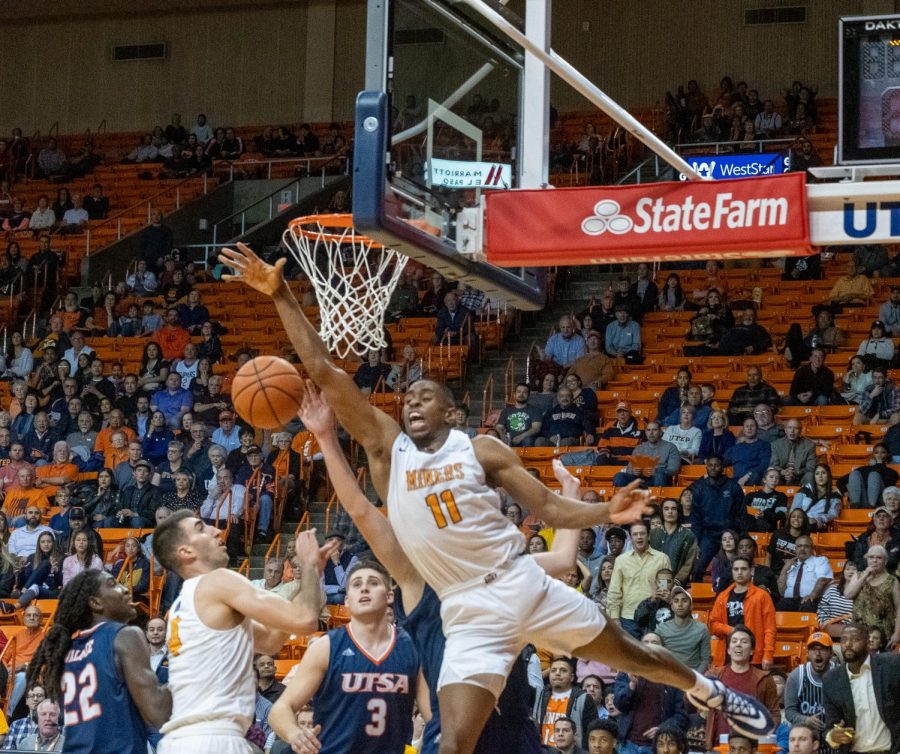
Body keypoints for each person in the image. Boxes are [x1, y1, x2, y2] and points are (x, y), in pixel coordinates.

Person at [220, 242, 776, 754]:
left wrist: (606, 511)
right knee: (453, 743)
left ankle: (711, 691)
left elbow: (552, 511)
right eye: (408, 394)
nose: (413, 399)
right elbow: (320, 369)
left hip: (521, 583)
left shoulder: (480, 449)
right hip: (467, 611)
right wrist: (281, 293)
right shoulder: (388, 448)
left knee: (634, 656)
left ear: (449, 412)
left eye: (426, 395)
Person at [150, 514, 332, 754]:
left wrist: (307, 577)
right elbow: (306, 620)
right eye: (201, 528)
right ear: (186, 551)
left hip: (181, 741)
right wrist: (308, 565)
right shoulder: (217, 581)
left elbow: (270, 640)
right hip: (214, 739)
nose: (216, 530)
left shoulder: (179, 607)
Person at [268, 560, 422, 754]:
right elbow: (280, 709)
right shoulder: (326, 647)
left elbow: (434, 715)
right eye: (357, 585)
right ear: (347, 599)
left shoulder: (412, 648)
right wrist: (295, 734)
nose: (364, 588)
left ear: (389, 596)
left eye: (373, 583)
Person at [25, 570, 171, 753]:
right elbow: (158, 713)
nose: (125, 589)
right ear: (95, 603)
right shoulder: (125, 635)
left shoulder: (65, 652)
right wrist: (189, 658)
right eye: (113, 584)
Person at [822, 622, 900, 754]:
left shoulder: (891, 666)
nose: (848, 644)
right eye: (844, 639)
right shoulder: (831, 680)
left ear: (868, 643)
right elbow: (831, 725)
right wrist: (833, 736)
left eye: (855, 639)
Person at [704, 626, 780, 750]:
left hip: (751, 748)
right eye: (734, 641)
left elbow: (775, 714)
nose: (738, 645)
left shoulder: (764, 679)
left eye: (744, 642)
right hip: (719, 746)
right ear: (728, 650)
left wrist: (763, 734)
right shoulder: (714, 675)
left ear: (751, 651)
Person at [613, 633, 688, 754]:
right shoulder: (627, 671)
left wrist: (662, 729)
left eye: (654, 643)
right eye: (646, 642)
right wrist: (631, 685)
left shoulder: (674, 677)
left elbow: (682, 716)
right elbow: (619, 704)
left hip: (659, 747)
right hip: (629, 745)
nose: (650, 645)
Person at [607, 522, 671, 639]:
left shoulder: (662, 559)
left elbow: (664, 590)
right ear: (631, 538)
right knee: (631, 656)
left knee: (652, 655)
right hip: (628, 618)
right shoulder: (621, 560)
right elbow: (614, 591)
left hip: (653, 616)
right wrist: (615, 618)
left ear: (649, 536)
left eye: (642, 533)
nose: (639, 537)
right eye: (635, 534)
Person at [709, 558, 777, 669]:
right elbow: (713, 625)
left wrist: (768, 654)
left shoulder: (762, 596)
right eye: (736, 569)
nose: (739, 572)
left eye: (743, 569)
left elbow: (770, 628)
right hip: (728, 655)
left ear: (751, 571)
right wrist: (730, 630)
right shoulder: (722, 596)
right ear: (732, 571)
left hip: (754, 656)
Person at [689, 455, 745, 582]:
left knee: (735, 569)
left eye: (717, 465)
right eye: (710, 465)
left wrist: (738, 535)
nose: (713, 468)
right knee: (697, 568)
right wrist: (695, 541)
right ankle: (696, 598)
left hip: (729, 533)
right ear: (706, 466)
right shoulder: (699, 488)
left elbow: (742, 514)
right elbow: (696, 518)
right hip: (708, 535)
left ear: (723, 468)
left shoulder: (733, 487)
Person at [534, 657, 599, 749]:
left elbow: (592, 732)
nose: (557, 673)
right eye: (553, 670)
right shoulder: (541, 695)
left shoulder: (583, 698)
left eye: (563, 670)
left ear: (572, 677)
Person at [844, 545, 900, 648]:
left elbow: (899, 608)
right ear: (867, 559)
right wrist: (865, 575)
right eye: (871, 557)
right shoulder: (858, 575)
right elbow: (848, 595)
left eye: (879, 558)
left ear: (886, 561)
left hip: (883, 637)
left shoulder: (892, 581)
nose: (874, 560)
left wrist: (897, 633)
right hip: (859, 635)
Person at [784, 631, 834, 737]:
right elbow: (789, 711)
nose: (818, 653)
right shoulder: (796, 676)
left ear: (831, 652)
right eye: (813, 649)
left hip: (833, 738)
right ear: (807, 653)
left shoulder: (840, 674)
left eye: (823, 648)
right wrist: (806, 720)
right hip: (805, 738)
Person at [656, 586, 711, 673]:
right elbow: (656, 658)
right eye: (676, 601)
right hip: (669, 678)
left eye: (684, 601)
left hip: (693, 678)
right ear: (672, 607)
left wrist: (694, 678)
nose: (680, 604)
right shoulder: (661, 629)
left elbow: (705, 661)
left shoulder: (702, 629)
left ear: (691, 606)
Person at [776, 535, 833, 612]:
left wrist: (811, 596)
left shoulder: (820, 561)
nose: (802, 549)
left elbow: (823, 580)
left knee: (807, 605)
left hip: (811, 600)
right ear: (795, 549)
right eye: (799, 546)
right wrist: (784, 570)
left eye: (806, 546)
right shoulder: (791, 566)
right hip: (790, 601)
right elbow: (781, 592)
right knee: (779, 606)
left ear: (812, 549)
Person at [648, 498, 697, 584]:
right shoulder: (653, 534)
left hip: (678, 585)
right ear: (662, 512)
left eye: (673, 509)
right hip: (654, 583)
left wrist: (676, 581)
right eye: (666, 509)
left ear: (678, 512)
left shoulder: (688, 536)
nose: (670, 511)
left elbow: (689, 562)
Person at [790, 464, 842, 532]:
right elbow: (793, 510)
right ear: (814, 477)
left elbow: (833, 514)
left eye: (823, 473)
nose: (820, 476)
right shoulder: (804, 490)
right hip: (799, 522)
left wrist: (818, 519)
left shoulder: (835, 495)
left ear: (828, 476)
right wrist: (802, 519)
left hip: (816, 526)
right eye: (817, 474)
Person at [769, 420, 817, 486]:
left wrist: (795, 472)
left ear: (800, 431)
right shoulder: (776, 445)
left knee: (810, 475)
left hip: (800, 476)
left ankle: (807, 495)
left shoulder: (809, 445)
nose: (792, 431)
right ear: (785, 430)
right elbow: (774, 465)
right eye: (789, 428)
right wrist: (783, 472)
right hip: (782, 476)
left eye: (795, 428)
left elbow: (811, 467)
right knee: (771, 473)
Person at [497, 383, 543, 448]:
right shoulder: (506, 411)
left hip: (526, 440)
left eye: (524, 392)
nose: (521, 394)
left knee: (527, 440)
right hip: (509, 439)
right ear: (514, 394)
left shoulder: (535, 410)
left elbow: (536, 429)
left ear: (528, 395)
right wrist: (502, 435)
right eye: (519, 392)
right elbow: (499, 427)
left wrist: (520, 437)